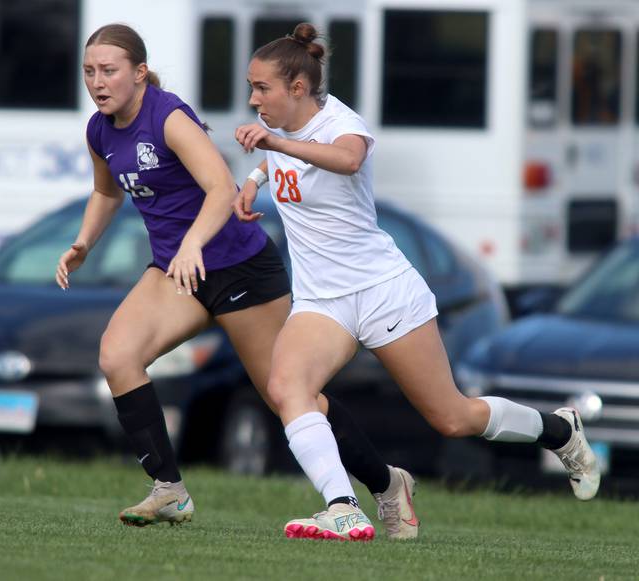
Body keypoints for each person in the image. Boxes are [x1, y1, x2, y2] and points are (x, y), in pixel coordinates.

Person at [234, 22, 600, 541]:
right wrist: (251, 182)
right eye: (251, 88)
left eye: (261, 88)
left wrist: (273, 143)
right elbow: (278, 159)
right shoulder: (279, 128)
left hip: (384, 290)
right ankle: (343, 506)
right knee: (286, 387)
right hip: (322, 300)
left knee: (452, 418)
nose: (253, 100)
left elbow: (347, 158)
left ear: (297, 89)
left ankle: (561, 431)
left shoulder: (340, 122)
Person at [56, 24, 406, 537]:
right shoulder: (100, 129)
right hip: (179, 271)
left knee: (287, 397)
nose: (98, 82)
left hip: (239, 268)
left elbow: (220, 185)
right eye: (90, 71)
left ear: (139, 72)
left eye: (109, 71)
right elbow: (107, 193)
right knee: (117, 355)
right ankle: (168, 490)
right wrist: (84, 241)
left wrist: (194, 243)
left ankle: (386, 483)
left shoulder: (169, 117)